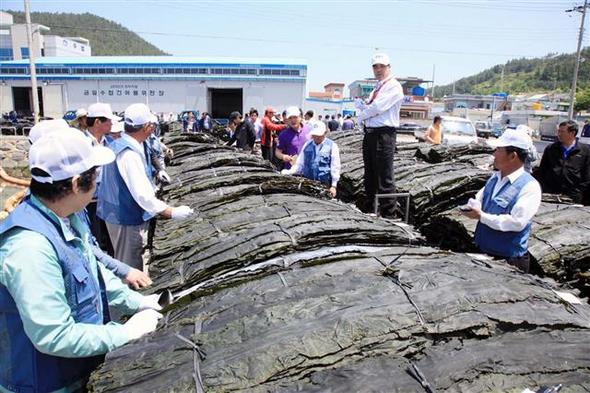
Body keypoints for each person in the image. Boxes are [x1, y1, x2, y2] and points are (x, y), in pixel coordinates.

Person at [0, 130, 163, 392]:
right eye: (96, 175)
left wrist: (138, 302)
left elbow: (92, 270)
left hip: (76, 369)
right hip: (44, 383)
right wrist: (125, 333)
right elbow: (53, 335)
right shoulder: (30, 247)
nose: (98, 181)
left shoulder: (67, 217)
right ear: (77, 183)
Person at [97, 103, 194, 270]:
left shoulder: (123, 144)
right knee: (129, 266)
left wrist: (157, 172)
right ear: (147, 127)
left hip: (117, 212)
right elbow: (142, 195)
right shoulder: (129, 154)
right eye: (152, 125)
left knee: (125, 259)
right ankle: (129, 294)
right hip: (124, 216)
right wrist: (171, 212)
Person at [461, 129, 542, 273]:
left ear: (513, 156)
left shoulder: (530, 186)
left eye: (499, 150)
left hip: (509, 261)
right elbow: (480, 199)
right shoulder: (494, 178)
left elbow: (516, 222)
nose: (494, 154)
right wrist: (471, 207)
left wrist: (481, 216)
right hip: (483, 252)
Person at [356, 53, 404, 218]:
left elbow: (377, 108)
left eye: (381, 66)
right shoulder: (378, 87)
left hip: (383, 134)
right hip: (370, 133)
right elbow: (370, 106)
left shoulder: (394, 86)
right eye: (375, 66)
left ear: (389, 67)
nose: (378, 69)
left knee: (384, 175)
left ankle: (389, 213)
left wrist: (361, 115)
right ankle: (371, 209)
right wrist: (363, 109)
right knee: (370, 173)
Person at [534, 120, 590, 205]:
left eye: (562, 131)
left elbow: (587, 176)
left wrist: (577, 191)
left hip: (572, 197)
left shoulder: (584, 151)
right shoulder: (551, 149)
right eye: (558, 131)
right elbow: (542, 171)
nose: (559, 134)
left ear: (572, 133)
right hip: (550, 195)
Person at [281, 121, 341, 198]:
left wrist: (333, 186)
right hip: (308, 182)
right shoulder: (307, 145)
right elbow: (300, 163)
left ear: (325, 133)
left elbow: (335, 166)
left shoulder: (332, 146)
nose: (316, 137)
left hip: (324, 183)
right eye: (314, 135)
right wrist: (289, 172)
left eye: (319, 135)